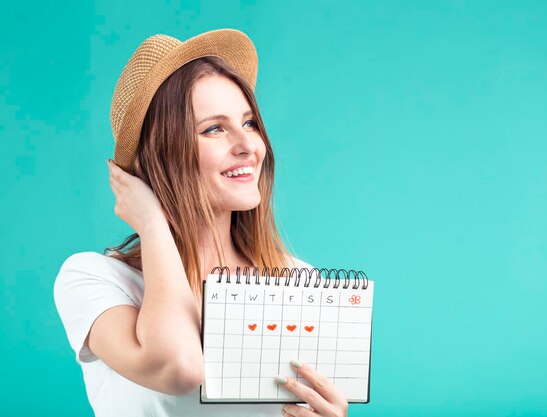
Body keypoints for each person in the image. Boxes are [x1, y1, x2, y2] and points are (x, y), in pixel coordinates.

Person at [54, 28, 349, 417]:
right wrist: (153, 225)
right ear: (161, 156)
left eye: (249, 123)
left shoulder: (299, 282)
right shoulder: (95, 279)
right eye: (214, 128)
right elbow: (179, 368)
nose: (248, 146)